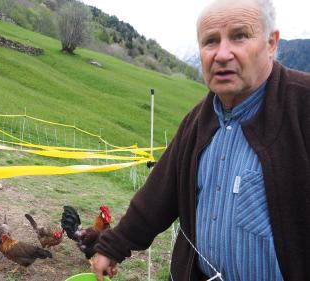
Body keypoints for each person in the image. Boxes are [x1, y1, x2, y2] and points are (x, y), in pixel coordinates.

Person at [91, 0, 310, 280]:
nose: (221, 54)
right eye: (210, 41)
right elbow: (159, 195)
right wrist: (113, 246)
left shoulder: (303, 106)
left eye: (239, 36)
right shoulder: (197, 121)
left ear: (271, 43)